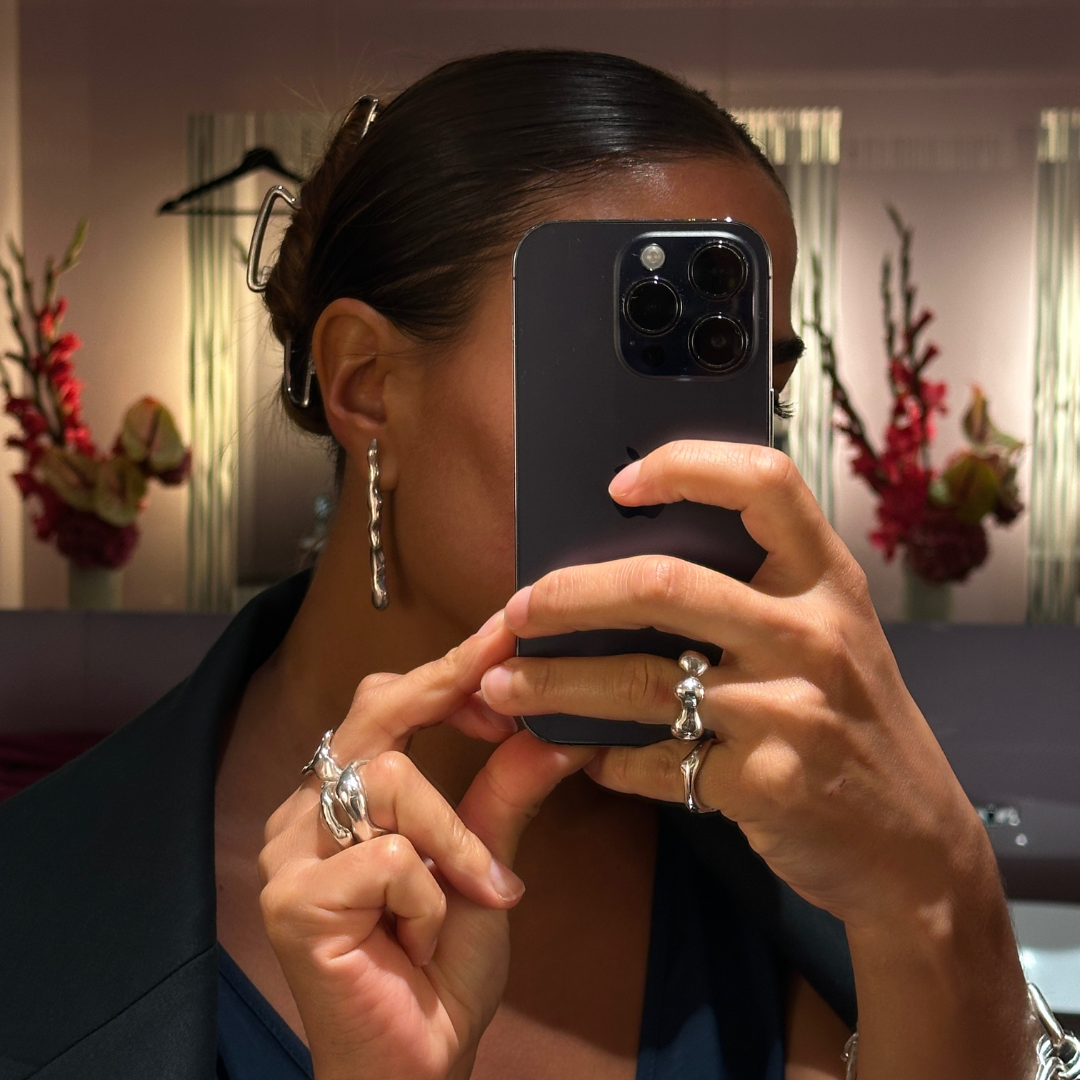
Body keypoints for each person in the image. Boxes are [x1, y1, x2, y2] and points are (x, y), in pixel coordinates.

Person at [0, 49, 1042, 1080]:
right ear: (365, 383)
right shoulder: (45, 907)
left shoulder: (796, 856)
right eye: (615, 377)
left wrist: (943, 895)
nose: (704, 462)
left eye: (741, 392)